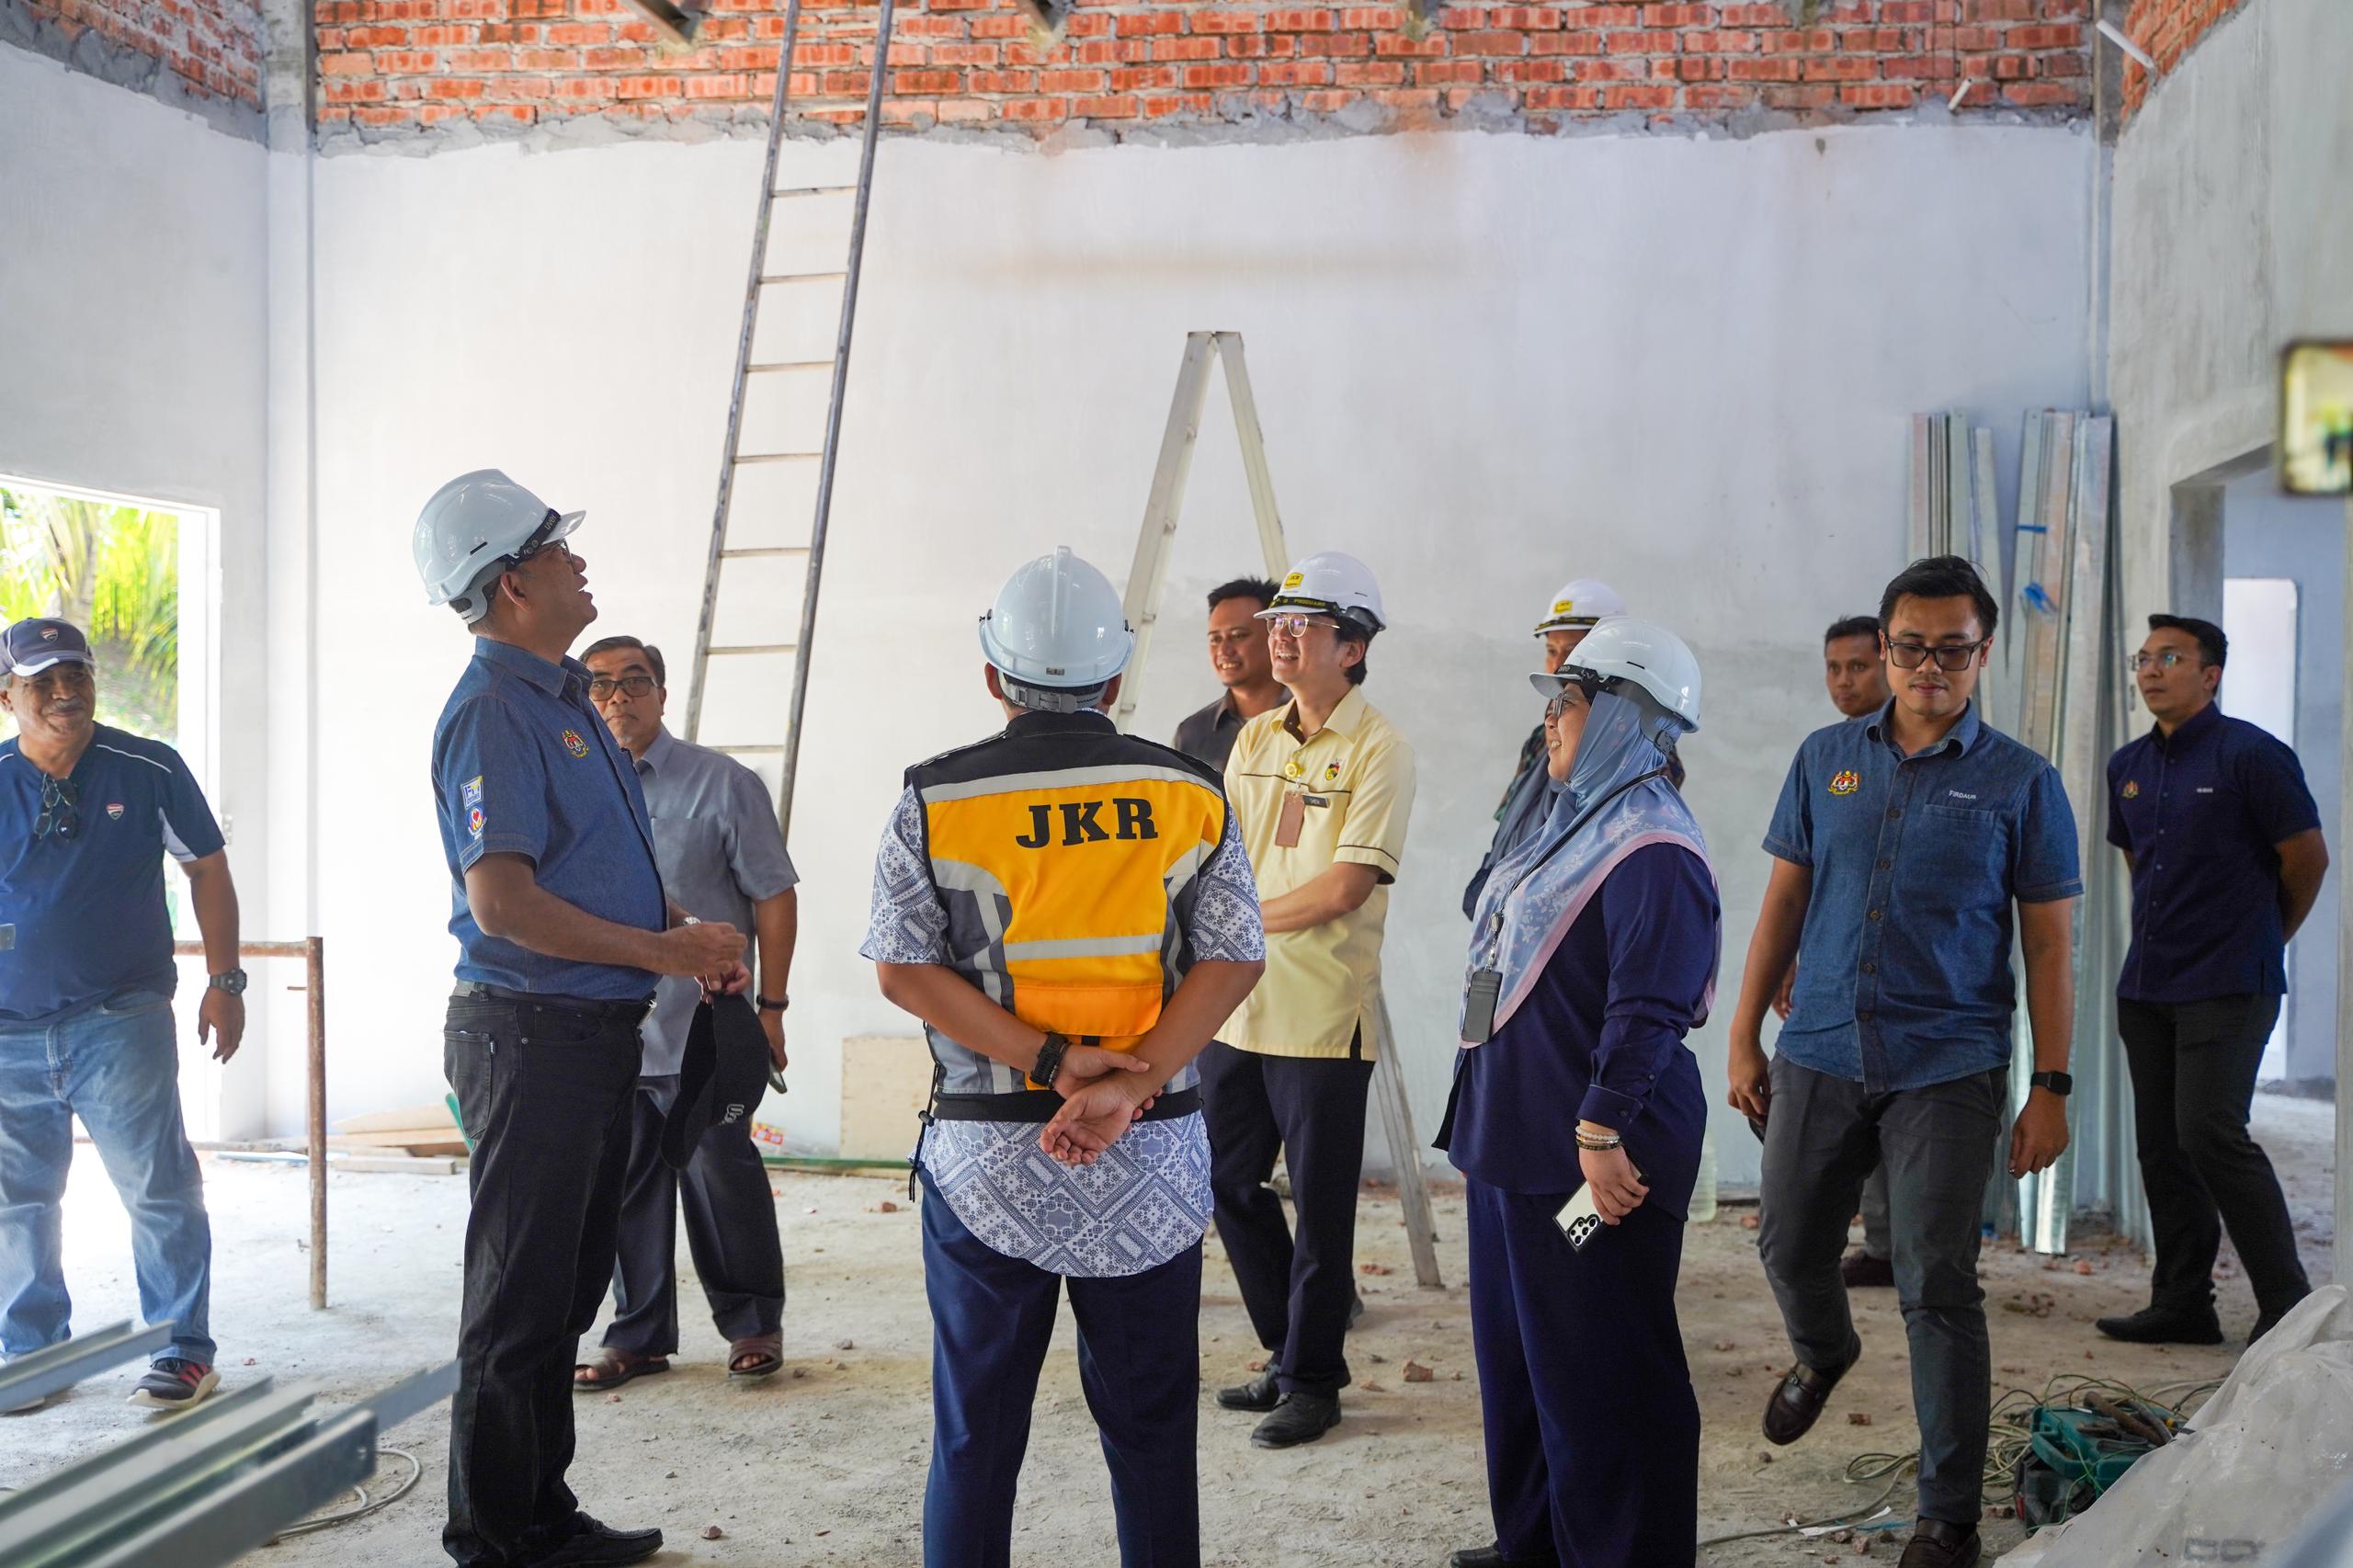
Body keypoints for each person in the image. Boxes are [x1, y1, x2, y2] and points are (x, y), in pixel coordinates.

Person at [864, 545, 1264, 1568]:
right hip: (1150, 1152)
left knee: (976, 1432)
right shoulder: (1191, 791)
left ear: (993, 675)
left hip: (988, 1155)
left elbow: (903, 971)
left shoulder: (933, 798)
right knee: (1151, 1430)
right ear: (1115, 678)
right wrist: (1134, 1078)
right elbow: (1233, 956)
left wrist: (1052, 1062)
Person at [415, 470, 746, 1568]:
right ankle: (495, 1536)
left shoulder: (561, 699)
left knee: (561, 1292)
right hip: (530, 1035)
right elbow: (502, 902)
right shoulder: (493, 711)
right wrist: (662, 952)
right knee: (518, 1299)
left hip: (584, 1033)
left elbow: (586, 866)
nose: (580, 562)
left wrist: (679, 927)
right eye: (559, 550)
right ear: (512, 583)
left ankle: (541, 1513)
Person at [1727, 556, 2081, 1568]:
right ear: (1884, 649)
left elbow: (2049, 944)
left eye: (1952, 650)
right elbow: (1785, 901)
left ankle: (1947, 1517)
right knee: (1789, 1243)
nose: (1931, 666)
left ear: (1983, 652)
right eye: (1912, 647)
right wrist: (1744, 1031)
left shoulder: (2021, 780)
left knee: (1937, 1284)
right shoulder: (1824, 758)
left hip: (1948, 1062)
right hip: (1821, 1046)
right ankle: (1824, 1349)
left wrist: (2049, 1088)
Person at [1437, 618, 1717, 1568]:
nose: (1551, 716)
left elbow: (1650, 1004)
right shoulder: (1570, 822)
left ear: (1627, 715)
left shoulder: (1653, 845)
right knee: (1522, 1361)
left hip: (1593, 1161)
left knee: (1603, 1367)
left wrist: (1599, 1133)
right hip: (1511, 1144)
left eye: (1569, 699)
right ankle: (1538, 1542)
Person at [0, 616, 244, 1415]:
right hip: (8, 1034)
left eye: (76, 674)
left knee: (157, 1189)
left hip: (120, 1019)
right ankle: (32, 1353)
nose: (64, 692)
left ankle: (182, 1350)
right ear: (8, 697)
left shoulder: (148, 768)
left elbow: (206, 868)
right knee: (19, 1203)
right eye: (41, 681)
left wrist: (225, 980)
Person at [1208, 549, 1416, 1449]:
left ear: (1353, 647)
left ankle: (1314, 1382)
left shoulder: (1380, 748)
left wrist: (1237, 922)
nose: (1281, 635)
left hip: (1324, 1013)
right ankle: (1285, 1347)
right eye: (1278, 622)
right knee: (1225, 1179)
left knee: (1323, 1210)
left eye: (1304, 623)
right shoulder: (1254, 740)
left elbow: (1344, 886)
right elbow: (1222, 858)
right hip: (1236, 1006)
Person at [2095, 613, 2327, 1347]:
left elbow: (2307, 860)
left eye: (2170, 657)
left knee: (2211, 1132)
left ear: (2211, 674)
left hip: (2229, 981)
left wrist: (2263, 938)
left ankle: (2288, 1304)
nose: (2151, 670)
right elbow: (2139, 864)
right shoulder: (2127, 765)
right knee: (2162, 1147)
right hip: (2148, 986)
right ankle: (2183, 1303)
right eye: (2143, 659)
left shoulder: (2252, 756)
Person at [574, 634, 797, 1389]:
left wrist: (773, 1008)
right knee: (623, 1188)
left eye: (636, 681)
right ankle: (637, 1336)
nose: (618, 697)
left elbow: (774, 895)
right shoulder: (573, 789)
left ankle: (752, 1323)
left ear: (663, 694)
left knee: (722, 1178)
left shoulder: (723, 784)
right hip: (607, 1028)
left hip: (703, 1028)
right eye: (600, 684)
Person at [1781, 615, 1898, 1290]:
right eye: (1833, 668)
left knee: (1900, 1131)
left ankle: (1898, 1251)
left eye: (1858, 666)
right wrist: (1790, 960)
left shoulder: (1935, 756)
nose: (1844, 681)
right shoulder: (1824, 756)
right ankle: (1871, 1247)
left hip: (1914, 996)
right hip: (1831, 986)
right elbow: (1805, 881)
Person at [1461, 579, 1626, 917]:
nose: (1558, 665)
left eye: (1572, 652)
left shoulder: (1636, 749)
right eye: (1552, 651)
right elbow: (1509, 825)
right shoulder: (1540, 739)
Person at [1172, 575, 1289, 773]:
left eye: (1238, 636)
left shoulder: (1312, 719)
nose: (1224, 650)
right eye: (1215, 639)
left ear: (1275, 636)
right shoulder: (1192, 733)